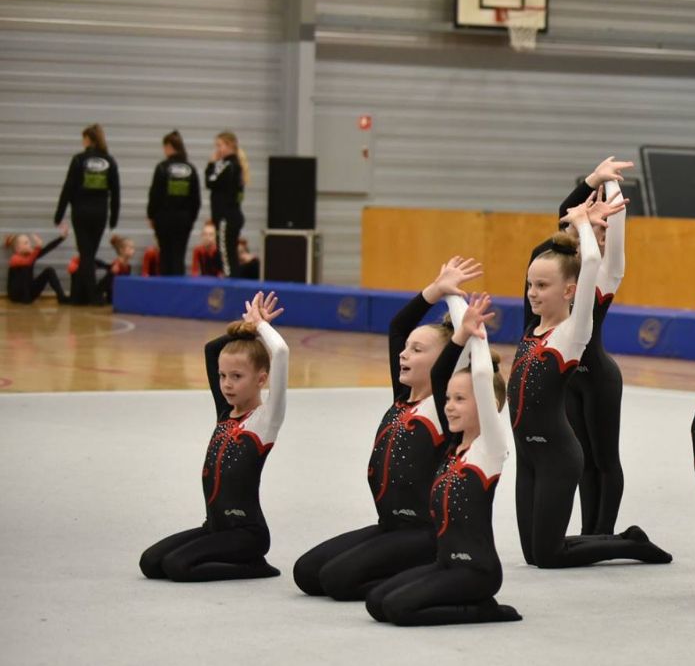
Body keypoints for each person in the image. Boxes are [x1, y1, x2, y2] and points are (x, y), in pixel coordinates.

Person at [294, 258, 476, 600]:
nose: (403, 355)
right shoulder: (403, 397)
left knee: (337, 580)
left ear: (445, 361)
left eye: (417, 350)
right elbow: (397, 326)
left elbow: (458, 361)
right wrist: (436, 290)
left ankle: (427, 571)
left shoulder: (443, 407)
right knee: (307, 573)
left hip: (424, 534)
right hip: (389, 527)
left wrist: (461, 323)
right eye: (406, 349)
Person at [511, 193, 670, 568]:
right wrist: (577, 213)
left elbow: (595, 263)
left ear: (569, 291)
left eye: (541, 287)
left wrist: (592, 214)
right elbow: (542, 256)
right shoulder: (532, 325)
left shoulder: (573, 329)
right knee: (534, 555)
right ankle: (606, 538)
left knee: (549, 555)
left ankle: (623, 543)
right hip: (527, 454)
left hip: (562, 444)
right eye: (530, 286)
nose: (532, 293)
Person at [367, 293, 522, 625]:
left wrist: (473, 335)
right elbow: (440, 375)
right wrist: (451, 300)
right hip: (444, 563)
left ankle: (485, 610)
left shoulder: (489, 449)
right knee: (377, 603)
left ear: (489, 406)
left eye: (460, 400)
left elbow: (482, 378)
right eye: (448, 399)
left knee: (398, 610)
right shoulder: (453, 449)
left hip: (476, 571)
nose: (448, 406)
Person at [139, 291, 289, 582]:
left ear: (261, 379)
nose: (227, 385)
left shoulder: (265, 420)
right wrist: (245, 329)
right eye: (222, 376)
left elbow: (280, 352)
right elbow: (212, 349)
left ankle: (254, 567)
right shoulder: (225, 412)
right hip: (214, 528)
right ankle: (229, 554)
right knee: (151, 563)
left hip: (247, 534)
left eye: (237, 376)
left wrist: (261, 327)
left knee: (177, 566)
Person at [526, 159, 633, 537]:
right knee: (583, 460)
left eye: (604, 231)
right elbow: (564, 217)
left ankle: (604, 534)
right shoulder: (566, 274)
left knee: (605, 458)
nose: (600, 235)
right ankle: (590, 534)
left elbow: (614, 230)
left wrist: (612, 187)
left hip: (599, 378)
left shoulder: (606, 273)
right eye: (594, 228)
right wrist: (592, 180)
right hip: (569, 380)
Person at [54, 124, 120, 307]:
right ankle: (85, 295)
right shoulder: (109, 161)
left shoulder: (79, 159)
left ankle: (87, 296)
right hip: (100, 213)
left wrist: (59, 215)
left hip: (81, 212)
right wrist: (114, 217)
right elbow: (115, 191)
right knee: (89, 254)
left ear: (88, 140)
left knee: (86, 254)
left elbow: (68, 188)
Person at [147, 131, 201, 276]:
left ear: (169, 146)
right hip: (184, 219)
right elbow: (196, 198)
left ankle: (166, 286)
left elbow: (155, 194)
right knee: (179, 256)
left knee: (165, 255)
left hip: (163, 218)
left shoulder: (162, 167)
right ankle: (178, 285)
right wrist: (191, 218)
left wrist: (151, 215)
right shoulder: (190, 169)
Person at [204, 132, 249, 278]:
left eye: (219, 146)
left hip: (226, 217)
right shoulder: (236, 165)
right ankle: (233, 280)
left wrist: (211, 164)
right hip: (232, 215)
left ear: (229, 146)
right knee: (230, 254)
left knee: (225, 255)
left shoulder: (228, 165)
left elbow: (210, 181)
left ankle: (230, 283)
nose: (217, 150)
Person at [6, 228, 69, 304]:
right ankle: (26, 299)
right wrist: (37, 248)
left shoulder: (30, 256)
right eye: (26, 243)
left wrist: (61, 238)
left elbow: (47, 249)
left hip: (29, 293)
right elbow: (28, 262)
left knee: (49, 271)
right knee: (25, 269)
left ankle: (61, 297)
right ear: (18, 248)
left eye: (29, 242)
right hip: (16, 295)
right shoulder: (14, 259)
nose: (30, 245)